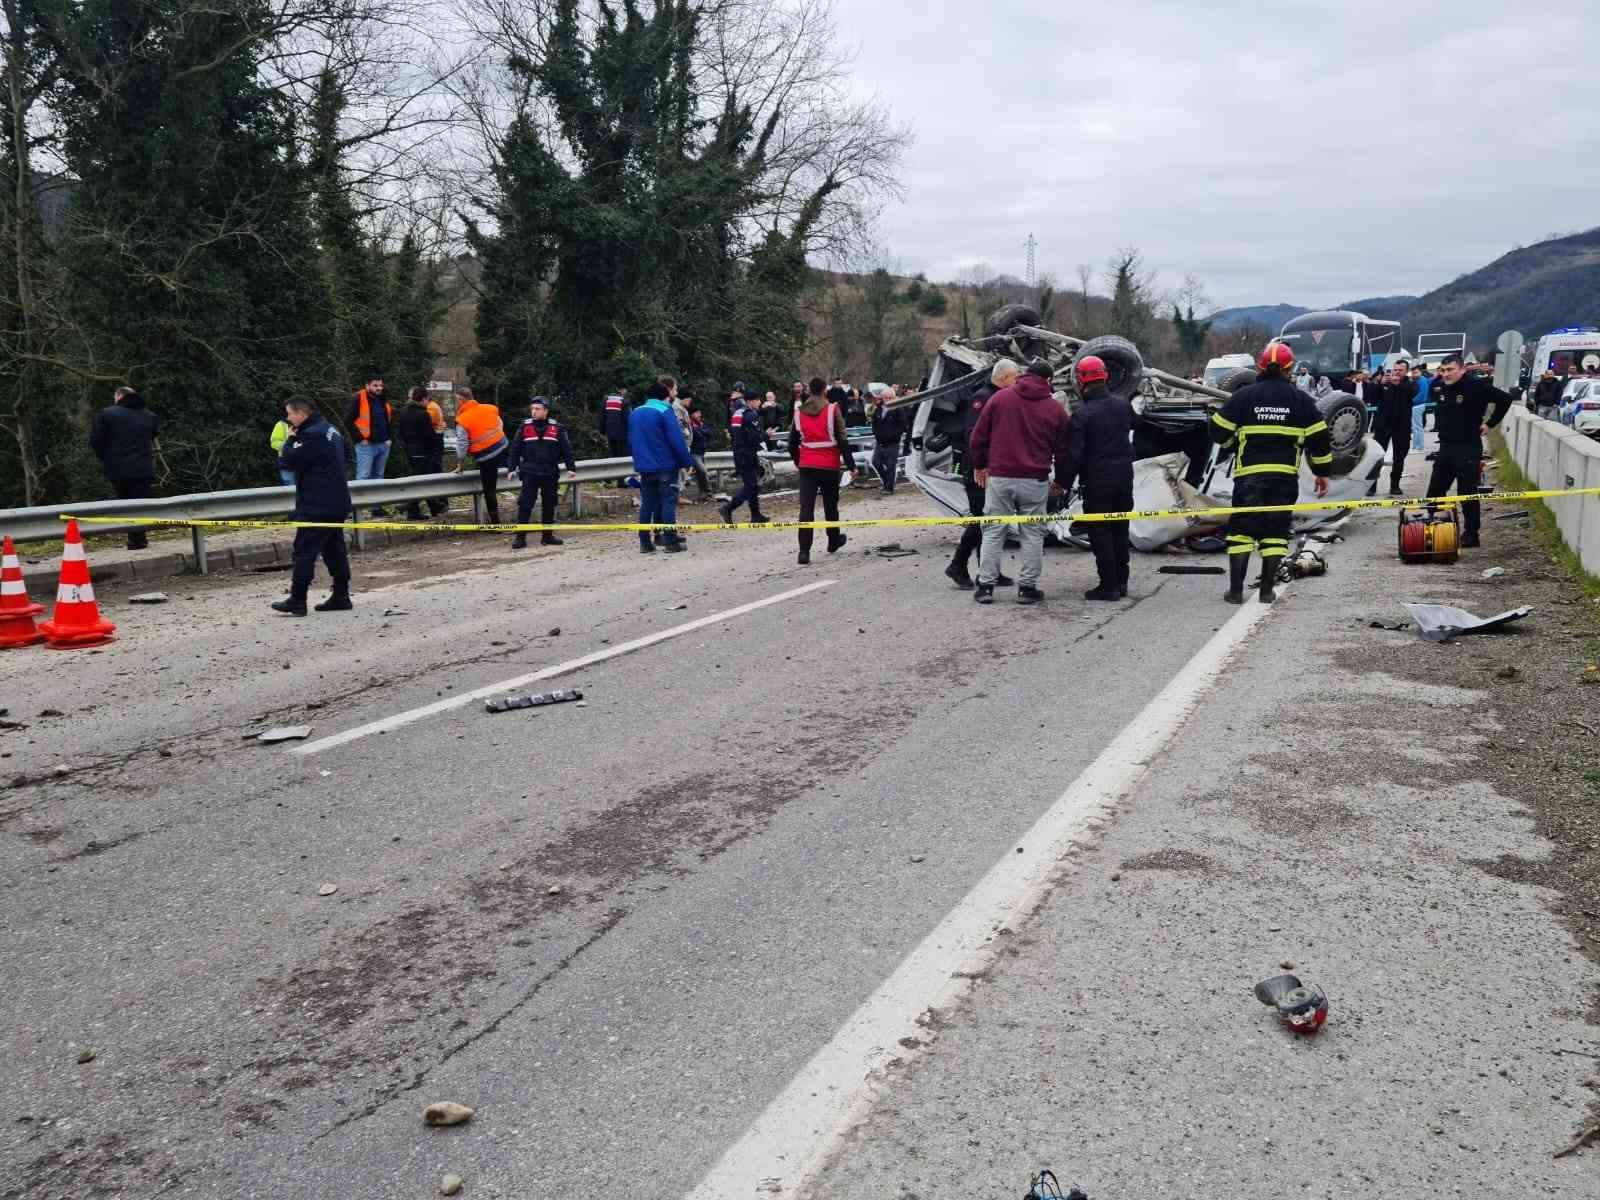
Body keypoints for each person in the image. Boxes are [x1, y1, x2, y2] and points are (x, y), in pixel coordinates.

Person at [1209, 341, 1332, 605]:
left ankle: (1236, 592)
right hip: (1284, 478)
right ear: (1290, 369)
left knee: (1241, 532)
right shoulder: (1302, 401)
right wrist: (1323, 472)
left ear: (1260, 366)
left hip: (1249, 478)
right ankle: (1266, 591)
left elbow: (1217, 429)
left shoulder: (1244, 396)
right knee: (1275, 533)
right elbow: (1320, 440)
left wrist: (1234, 443)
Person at [968, 359, 1071, 605]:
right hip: (1034, 480)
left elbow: (978, 436)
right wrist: (1062, 480)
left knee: (993, 531)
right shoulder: (1054, 408)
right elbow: (1065, 450)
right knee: (1033, 534)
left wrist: (980, 465)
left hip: (1000, 478)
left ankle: (985, 587)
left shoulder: (1000, 399)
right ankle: (1027, 588)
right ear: (1047, 380)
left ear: (1025, 375)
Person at [1057, 355, 1134, 601]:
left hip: (1098, 483)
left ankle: (1108, 586)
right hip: (1124, 480)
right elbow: (1137, 425)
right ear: (1105, 376)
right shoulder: (1123, 405)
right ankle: (1121, 582)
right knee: (1120, 530)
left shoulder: (1083, 414)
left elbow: (1073, 455)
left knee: (1100, 532)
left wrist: (1062, 484)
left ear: (1080, 380)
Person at [273, 398, 353, 616]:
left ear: (301, 414)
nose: (288, 418)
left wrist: (289, 441)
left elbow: (287, 462)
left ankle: (297, 599)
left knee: (304, 551)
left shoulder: (311, 435)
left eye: (290, 414)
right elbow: (347, 453)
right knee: (334, 548)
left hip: (318, 504)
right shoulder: (329, 429)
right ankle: (341, 596)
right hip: (337, 500)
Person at [1425, 354, 1511, 549]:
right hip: (1446, 446)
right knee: (1436, 488)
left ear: (1462, 369)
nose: (1446, 374)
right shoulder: (1439, 386)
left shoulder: (1475, 386)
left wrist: (1490, 424)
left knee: (1467, 492)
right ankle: (1427, 524)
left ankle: (1471, 534)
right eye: (1443, 370)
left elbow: (1505, 399)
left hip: (1468, 446)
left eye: (1450, 370)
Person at [945, 361, 1016, 590]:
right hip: (978, 470)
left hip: (991, 468)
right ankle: (957, 565)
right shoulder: (983, 398)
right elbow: (973, 435)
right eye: (1014, 378)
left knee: (991, 521)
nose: (1016, 383)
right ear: (1004, 377)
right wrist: (980, 466)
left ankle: (989, 570)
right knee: (980, 520)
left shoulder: (998, 397)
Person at [788, 376, 856, 565]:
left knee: (806, 508)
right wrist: (851, 466)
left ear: (809, 391)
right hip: (828, 465)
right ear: (825, 390)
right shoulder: (833, 410)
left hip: (807, 466)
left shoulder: (798, 413)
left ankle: (804, 552)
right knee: (830, 505)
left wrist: (798, 461)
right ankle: (833, 541)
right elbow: (842, 439)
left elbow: (791, 443)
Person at [89, 386, 160, 549]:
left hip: (118, 468)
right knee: (140, 504)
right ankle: (139, 539)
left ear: (119, 396)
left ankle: (135, 539)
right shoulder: (150, 416)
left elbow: (95, 440)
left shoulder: (107, 414)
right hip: (143, 467)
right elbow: (152, 435)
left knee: (125, 503)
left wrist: (106, 457)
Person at [630, 377, 693, 553]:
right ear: (664, 396)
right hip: (665, 465)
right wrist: (686, 462)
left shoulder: (635, 412)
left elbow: (633, 440)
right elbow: (676, 440)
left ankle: (645, 543)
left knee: (647, 504)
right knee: (668, 502)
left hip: (644, 466)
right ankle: (670, 541)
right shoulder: (665, 411)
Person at [506, 395, 578, 549]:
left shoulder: (557, 428)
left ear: (546, 411)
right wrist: (511, 468)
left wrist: (571, 468)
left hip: (550, 472)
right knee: (525, 504)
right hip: (530, 472)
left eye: (537, 409)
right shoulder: (524, 427)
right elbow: (515, 449)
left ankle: (547, 536)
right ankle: (520, 538)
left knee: (549, 504)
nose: (534, 411)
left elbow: (566, 450)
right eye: (532, 409)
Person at [452, 387, 510, 524]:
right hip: (503, 447)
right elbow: (499, 424)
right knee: (519, 474)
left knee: (489, 490)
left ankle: (495, 524)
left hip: (486, 456)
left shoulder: (462, 419)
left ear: (461, 399)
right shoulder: (490, 408)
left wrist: (460, 464)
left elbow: (462, 445)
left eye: (457, 400)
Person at [718, 387, 770, 524]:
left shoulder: (737, 413)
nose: (759, 403)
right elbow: (754, 438)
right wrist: (766, 435)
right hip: (747, 454)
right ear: (751, 401)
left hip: (739, 452)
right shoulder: (751, 415)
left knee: (752, 484)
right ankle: (728, 508)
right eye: (758, 400)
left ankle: (756, 514)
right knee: (752, 485)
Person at [397, 386, 449, 518]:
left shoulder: (403, 411)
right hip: (423, 451)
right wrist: (435, 444)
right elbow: (429, 435)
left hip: (409, 450)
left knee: (420, 479)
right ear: (424, 399)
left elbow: (401, 432)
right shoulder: (422, 413)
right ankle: (411, 507)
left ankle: (432, 507)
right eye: (427, 400)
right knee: (424, 481)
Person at [345, 372, 391, 517]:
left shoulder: (382, 399)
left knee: (378, 476)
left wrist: (388, 438)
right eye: (375, 385)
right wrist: (360, 439)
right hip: (366, 445)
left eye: (380, 385)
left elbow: (387, 419)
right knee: (363, 477)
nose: (379, 388)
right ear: (367, 386)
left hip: (382, 443)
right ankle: (356, 510)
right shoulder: (358, 398)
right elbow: (347, 420)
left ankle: (376, 509)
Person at [1373, 366, 1417, 495]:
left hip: (1401, 427)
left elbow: (1413, 393)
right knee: (1377, 456)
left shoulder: (1410, 384)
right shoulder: (1385, 383)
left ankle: (1394, 485)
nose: (1397, 372)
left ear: (1406, 371)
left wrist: (1398, 385)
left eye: (1400, 370)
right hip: (1383, 426)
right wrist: (1378, 384)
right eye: (1395, 370)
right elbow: (1373, 397)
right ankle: (1371, 486)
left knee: (1399, 458)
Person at [868, 383, 905, 493]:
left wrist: (894, 434)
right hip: (880, 442)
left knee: (890, 465)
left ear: (893, 398)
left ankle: (889, 488)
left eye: (890, 397)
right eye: (886, 397)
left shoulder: (898, 409)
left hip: (893, 442)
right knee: (876, 462)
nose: (887, 399)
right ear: (882, 398)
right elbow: (874, 423)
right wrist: (876, 434)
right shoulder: (878, 409)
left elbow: (903, 424)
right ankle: (886, 482)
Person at [687, 404, 713, 500]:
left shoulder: (701, 423)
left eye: (699, 412)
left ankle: (704, 494)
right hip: (693, 452)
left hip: (701, 452)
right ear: (691, 414)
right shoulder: (690, 424)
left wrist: (700, 432)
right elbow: (697, 435)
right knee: (703, 471)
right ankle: (709, 493)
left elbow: (709, 433)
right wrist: (701, 432)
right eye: (696, 413)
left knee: (700, 474)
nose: (699, 414)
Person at [1411, 362, 1432, 457]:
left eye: (1416, 372)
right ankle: (1416, 446)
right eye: (1413, 372)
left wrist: (1410, 401)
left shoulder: (1422, 380)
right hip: (1415, 406)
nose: (1413, 374)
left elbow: (1422, 396)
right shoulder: (1417, 380)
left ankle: (1419, 447)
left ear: (1420, 372)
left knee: (1417, 428)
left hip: (1418, 406)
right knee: (1415, 427)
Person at [270, 410, 294, 487]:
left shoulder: (304, 424)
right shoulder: (281, 425)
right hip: (287, 462)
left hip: (303, 462)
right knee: (290, 485)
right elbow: (274, 442)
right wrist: (289, 445)